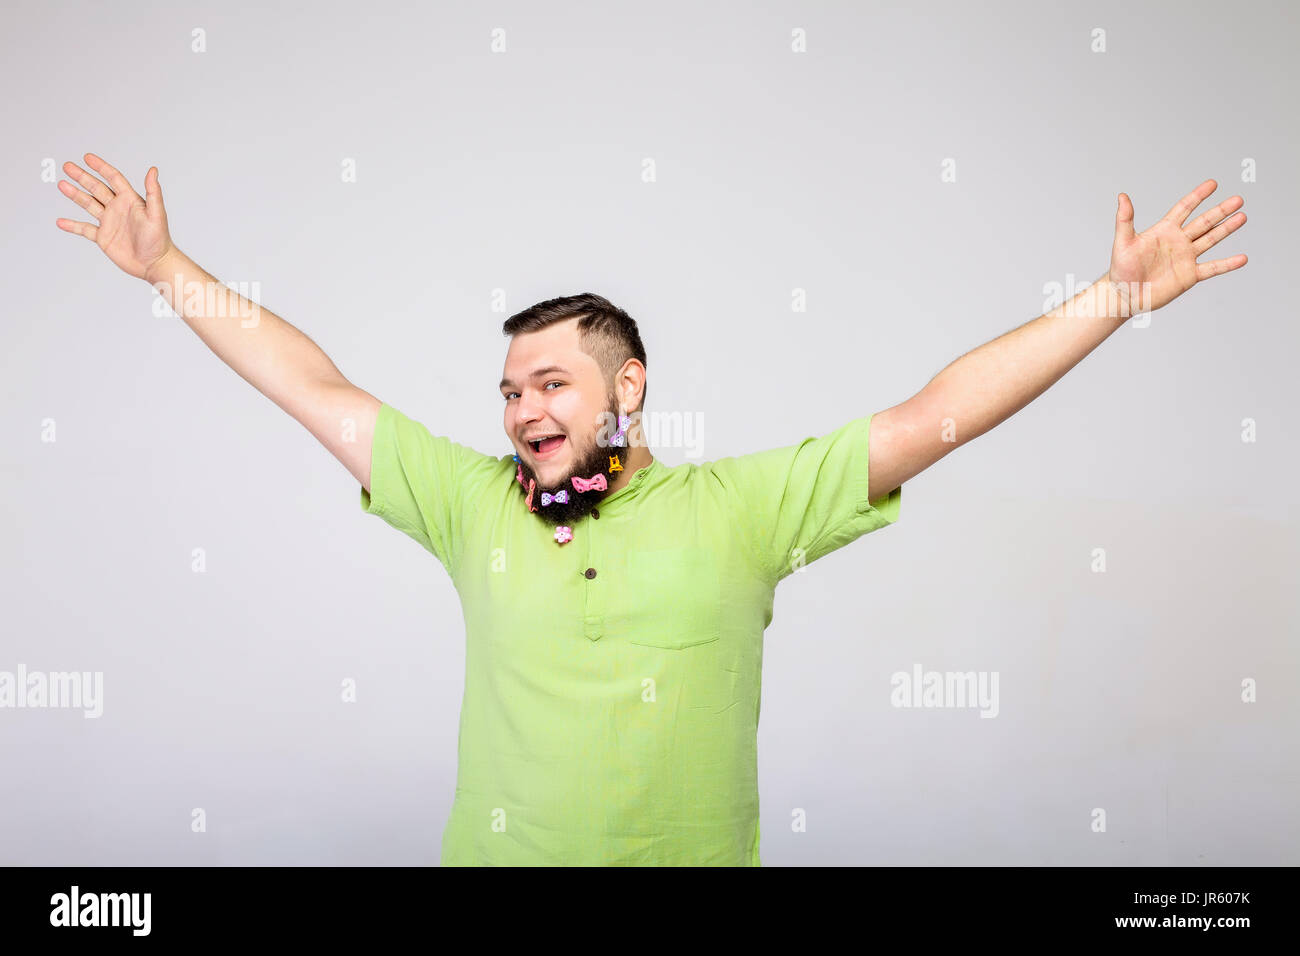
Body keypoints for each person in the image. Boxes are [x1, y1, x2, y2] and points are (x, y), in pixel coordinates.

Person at [55, 152, 1249, 865]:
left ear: (628, 387)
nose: (524, 408)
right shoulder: (467, 501)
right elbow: (310, 385)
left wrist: (1108, 299)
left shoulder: (743, 506)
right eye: (511, 389)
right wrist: (167, 268)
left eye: (553, 382)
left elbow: (935, 412)